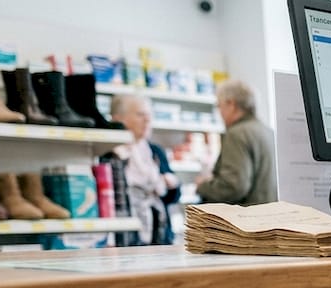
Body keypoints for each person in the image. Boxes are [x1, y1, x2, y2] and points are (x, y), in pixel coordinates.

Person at [111, 94, 180, 245]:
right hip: (126, 239)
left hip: (160, 236)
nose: (147, 120)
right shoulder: (110, 152)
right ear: (118, 118)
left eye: (149, 115)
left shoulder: (155, 151)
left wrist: (171, 184)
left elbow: (173, 198)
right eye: (140, 115)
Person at [196, 80, 277, 206]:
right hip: (269, 217)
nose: (219, 112)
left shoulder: (237, 134)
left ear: (231, 104)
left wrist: (203, 186)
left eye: (219, 106)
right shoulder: (268, 131)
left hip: (246, 220)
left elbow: (234, 186)